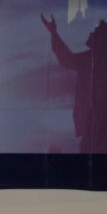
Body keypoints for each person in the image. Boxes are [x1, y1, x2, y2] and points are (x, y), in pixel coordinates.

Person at [40, 14, 107, 153]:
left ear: (101, 38)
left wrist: (54, 34)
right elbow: (67, 59)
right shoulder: (89, 59)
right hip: (90, 124)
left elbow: (67, 59)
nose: (91, 33)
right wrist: (54, 33)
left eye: (95, 31)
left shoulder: (90, 59)